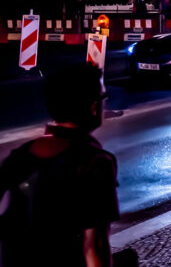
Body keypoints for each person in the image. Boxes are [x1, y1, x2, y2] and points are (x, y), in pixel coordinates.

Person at [0, 63, 119, 267]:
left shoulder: (21, 155)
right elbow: (94, 245)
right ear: (93, 106)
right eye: (103, 97)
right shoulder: (95, 163)